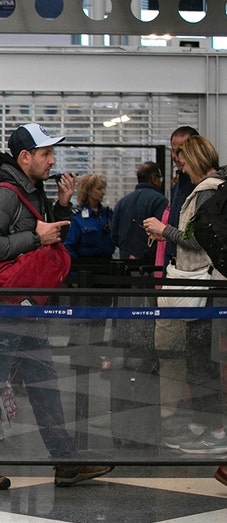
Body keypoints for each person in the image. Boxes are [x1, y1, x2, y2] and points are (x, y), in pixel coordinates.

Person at [0, 123, 113, 490]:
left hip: (22, 307)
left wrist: (60, 207)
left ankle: (65, 462)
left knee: (45, 385)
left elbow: (42, 241)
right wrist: (34, 235)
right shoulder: (3, 194)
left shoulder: (32, 191)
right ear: (24, 157)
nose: (52, 160)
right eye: (45, 154)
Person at [144, 134, 226, 454]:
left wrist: (164, 231)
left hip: (201, 281)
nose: (181, 167)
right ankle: (208, 421)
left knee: (200, 358)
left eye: (183, 160)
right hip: (206, 281)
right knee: (200, 357)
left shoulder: (206, 193)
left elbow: (195, 239)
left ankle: (212, 425)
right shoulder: (216, 189)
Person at [111, 162, 168, 263]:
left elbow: (114, 235)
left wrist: (128, 253)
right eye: (160, 178)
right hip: (150, 265)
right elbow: (163, 234)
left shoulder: (122, 202)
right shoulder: (160, 201)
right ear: (154, 179)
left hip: (125, 264)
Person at [162, 126, 200, 267]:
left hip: (194, 266)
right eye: (173, 150)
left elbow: (194, 238)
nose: (176, 156)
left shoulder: (205, 186)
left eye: (180, 151)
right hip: (175, 261)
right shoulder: (177, 183)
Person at [63, 173, 115, 261]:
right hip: (86, 267)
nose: (103, 192)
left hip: (107, 264)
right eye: (99, 189)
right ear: (87, 191)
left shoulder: (107, 214)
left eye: (103, 188)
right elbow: (68, 247)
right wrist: (79, 266)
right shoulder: (77, 217)